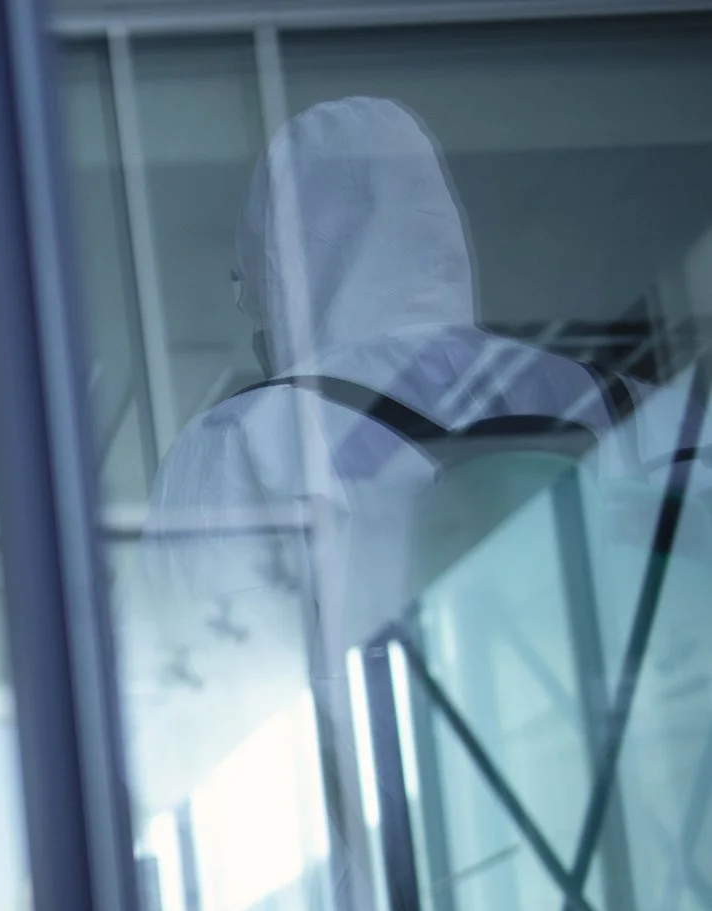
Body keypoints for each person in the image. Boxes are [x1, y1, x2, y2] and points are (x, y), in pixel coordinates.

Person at [127, 95, 638, 814]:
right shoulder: (612, 402)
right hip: (619, 816)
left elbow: (189, 703)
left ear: (282, 261)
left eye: (247, 277)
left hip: (390, 846)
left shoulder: (241, 436)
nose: (247, 309)